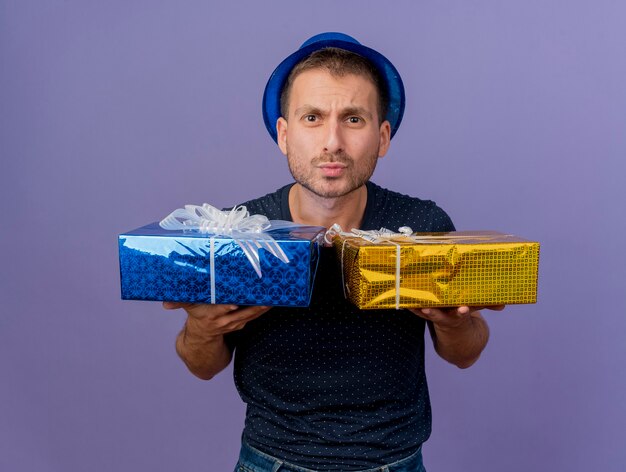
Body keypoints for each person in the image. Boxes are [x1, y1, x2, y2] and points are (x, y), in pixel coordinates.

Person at [164, 32, 503, 472]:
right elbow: (202, 367)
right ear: (283, 134)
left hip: (395, 462)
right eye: (312, 118)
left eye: (354, 119)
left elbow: (465, 353)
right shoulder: (237, 232)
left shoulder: (422, 225)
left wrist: (452, 322)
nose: (332, 142)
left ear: (383, 136)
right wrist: (203, 329)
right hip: (270, 462)